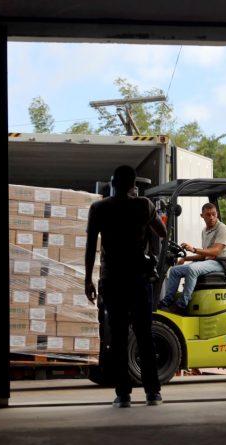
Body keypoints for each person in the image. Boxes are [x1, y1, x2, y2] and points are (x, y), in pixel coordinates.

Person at [85, 165, 167, 408]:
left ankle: (123, 395)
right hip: (138, 280)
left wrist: (87, 279)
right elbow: (162, 232)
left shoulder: (99, 208)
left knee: (119, 337)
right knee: (144, 335)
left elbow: (91, 245)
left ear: (112, 183)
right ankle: (153, 392)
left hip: (112, 280)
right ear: (133, 185)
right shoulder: (143, 205)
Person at [158, 203, 226, 311]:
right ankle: (167, 301)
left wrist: (194, 249)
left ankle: (182, 305)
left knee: (193, 269)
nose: (211, 217)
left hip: (221, 263)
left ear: (217, 215)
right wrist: (185, 258)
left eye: (213, 214)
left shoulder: (222, 229)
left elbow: (216, 251)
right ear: (202, 216)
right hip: (208, 262)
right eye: (208, 215)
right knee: (174, 271)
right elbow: (204, 255)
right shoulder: (205, 231)